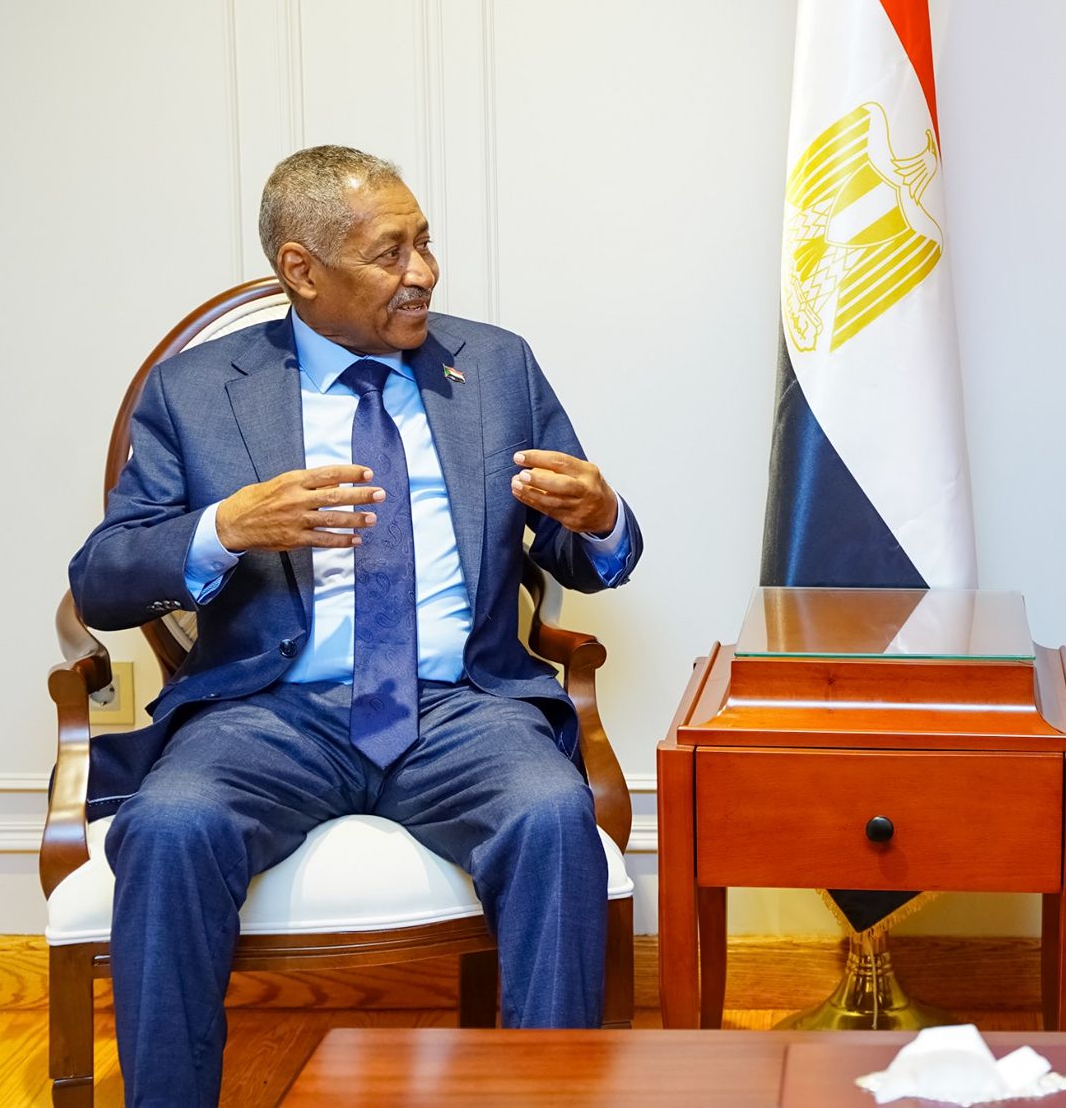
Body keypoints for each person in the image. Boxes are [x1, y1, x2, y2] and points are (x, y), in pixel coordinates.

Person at [69, 145, 642, 1104]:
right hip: (266, 714)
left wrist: (602, 515)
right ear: (301, 269)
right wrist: (224, 528)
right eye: (390, 252)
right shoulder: (196, 391)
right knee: (167, 827)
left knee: (552, 817)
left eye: (425, 242)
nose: (424, 271)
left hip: (464, 706)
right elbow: (101, 581)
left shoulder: (495, 366)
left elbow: (580, 548)